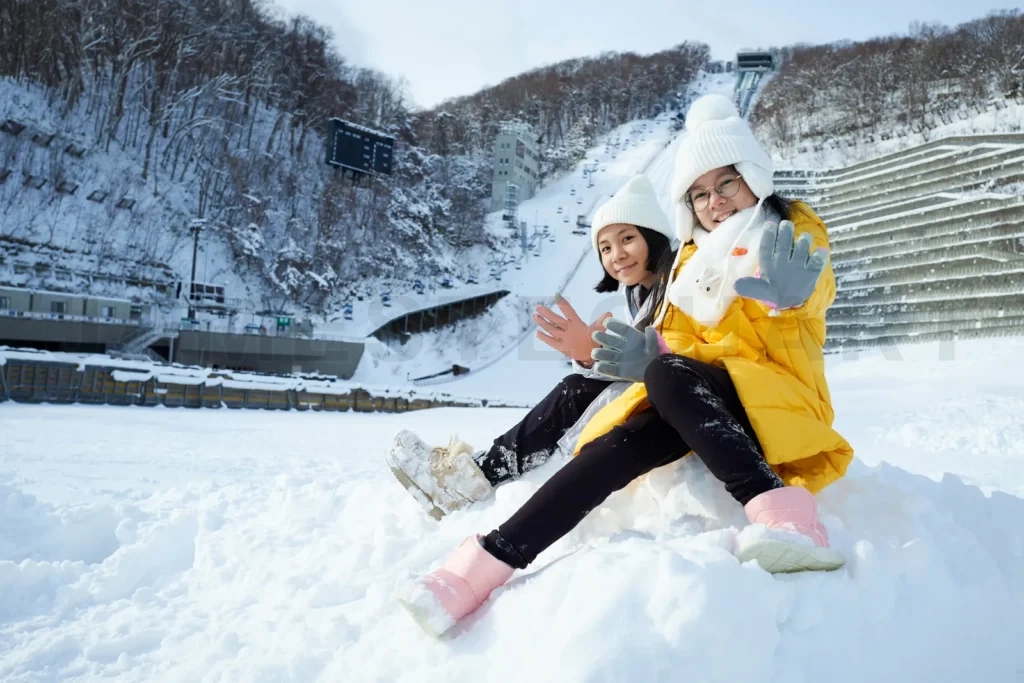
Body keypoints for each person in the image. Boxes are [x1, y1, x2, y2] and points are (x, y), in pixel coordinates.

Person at [394, 93, 856, 638]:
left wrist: (793, 296)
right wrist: (648, 358)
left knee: (661, 378)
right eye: (700, 193)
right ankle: (474, 572)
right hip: (701, 398)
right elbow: (681, 345)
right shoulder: (690, 260)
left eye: (726, 183)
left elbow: (814, 285)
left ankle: (786, 520)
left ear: (753, 176)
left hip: (774, 396)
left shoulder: (785, 228)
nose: (715, 201)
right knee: (614, 449)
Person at [384, 174, 678, 520]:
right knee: (578, 386)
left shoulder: (676, 284)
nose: (617, 255)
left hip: (678, 409)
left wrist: (596, 359)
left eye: (627, 238)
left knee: (575, 390)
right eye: (605, 248)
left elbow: (673, 361)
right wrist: (590, 355)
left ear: (654, 236)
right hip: (660, 398)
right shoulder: (641, 292)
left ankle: (473, 478)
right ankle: (477, 473)